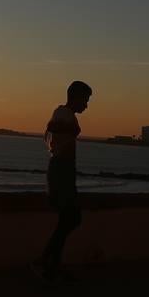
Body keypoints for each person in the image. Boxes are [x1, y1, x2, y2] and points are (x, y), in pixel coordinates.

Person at [32, 80, 92, 282]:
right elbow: (53, 127)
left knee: (67, 219)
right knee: (71, 218)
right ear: (75, 97)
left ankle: (51, 265)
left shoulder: (66, 115)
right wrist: (71, 130)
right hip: (61, 171)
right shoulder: (62, 113)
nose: (86, 105)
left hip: (64, 171)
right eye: (85, 99)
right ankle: (44, 262)